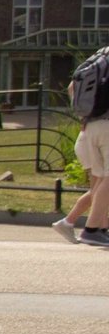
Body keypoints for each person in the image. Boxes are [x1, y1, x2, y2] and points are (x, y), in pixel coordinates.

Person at [72, 78, 109, 248]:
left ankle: (100, 228)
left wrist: (83, 115)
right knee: (105, 180)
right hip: (106, 126)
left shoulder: (96, 64)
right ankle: (92, 230)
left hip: (91, 126)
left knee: (100, 180)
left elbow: (72, 87)